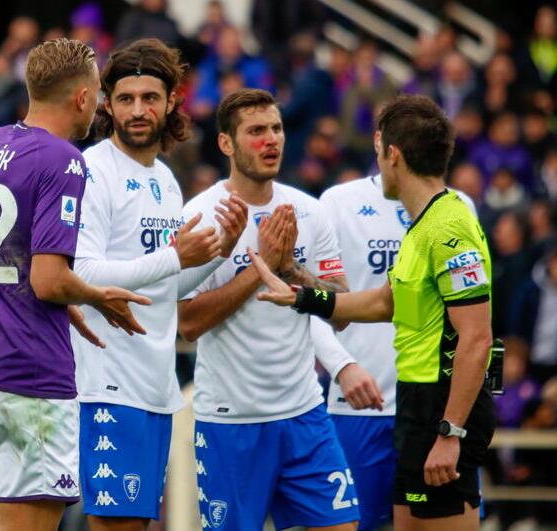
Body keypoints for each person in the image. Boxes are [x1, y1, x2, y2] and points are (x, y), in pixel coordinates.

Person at [253, 94, 496, 530]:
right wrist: (299, 290)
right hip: (414, 403)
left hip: (440, 407)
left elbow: (477, 338)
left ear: (393, 155)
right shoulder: (425, 224)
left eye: (380, 150)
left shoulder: (450, 227)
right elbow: (385, 303)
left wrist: (451, 432)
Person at [0, 38, 151, 531]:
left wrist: (54, 295)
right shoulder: (64, 160)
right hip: (27, 375)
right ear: (81, 98)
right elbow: (50, 279)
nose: (99, 106)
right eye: (99, 95)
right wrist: (97, 296)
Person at [72, 38, 246, 531]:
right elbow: (81, 275)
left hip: (153, 384)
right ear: (107, 104)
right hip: (106, 382)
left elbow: (165, 284)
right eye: (125, 99)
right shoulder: (93, 171)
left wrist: (219, 252)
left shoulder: (166, 180)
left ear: (172, 101)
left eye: (150, 98)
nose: (138, 110)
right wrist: (175, 254)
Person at [176, 88, 360, 530]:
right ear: (226, 144)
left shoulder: (308, 212)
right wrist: (261, 268)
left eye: (276, 129)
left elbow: (342, 308)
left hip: (303, 413)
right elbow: (188, 324)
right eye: (256, 131)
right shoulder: (201, 216)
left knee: (342, 525)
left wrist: (293, 269)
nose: (271, 140)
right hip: (230, 421)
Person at [318, 169, 479, 531]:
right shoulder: (338, 203)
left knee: (432, 522)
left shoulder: (458, 209)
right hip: (357, 410)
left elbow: (474, 324)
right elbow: (330, 302)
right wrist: (343, 366)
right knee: (356, 524)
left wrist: (455, 419)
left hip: (432, 412)